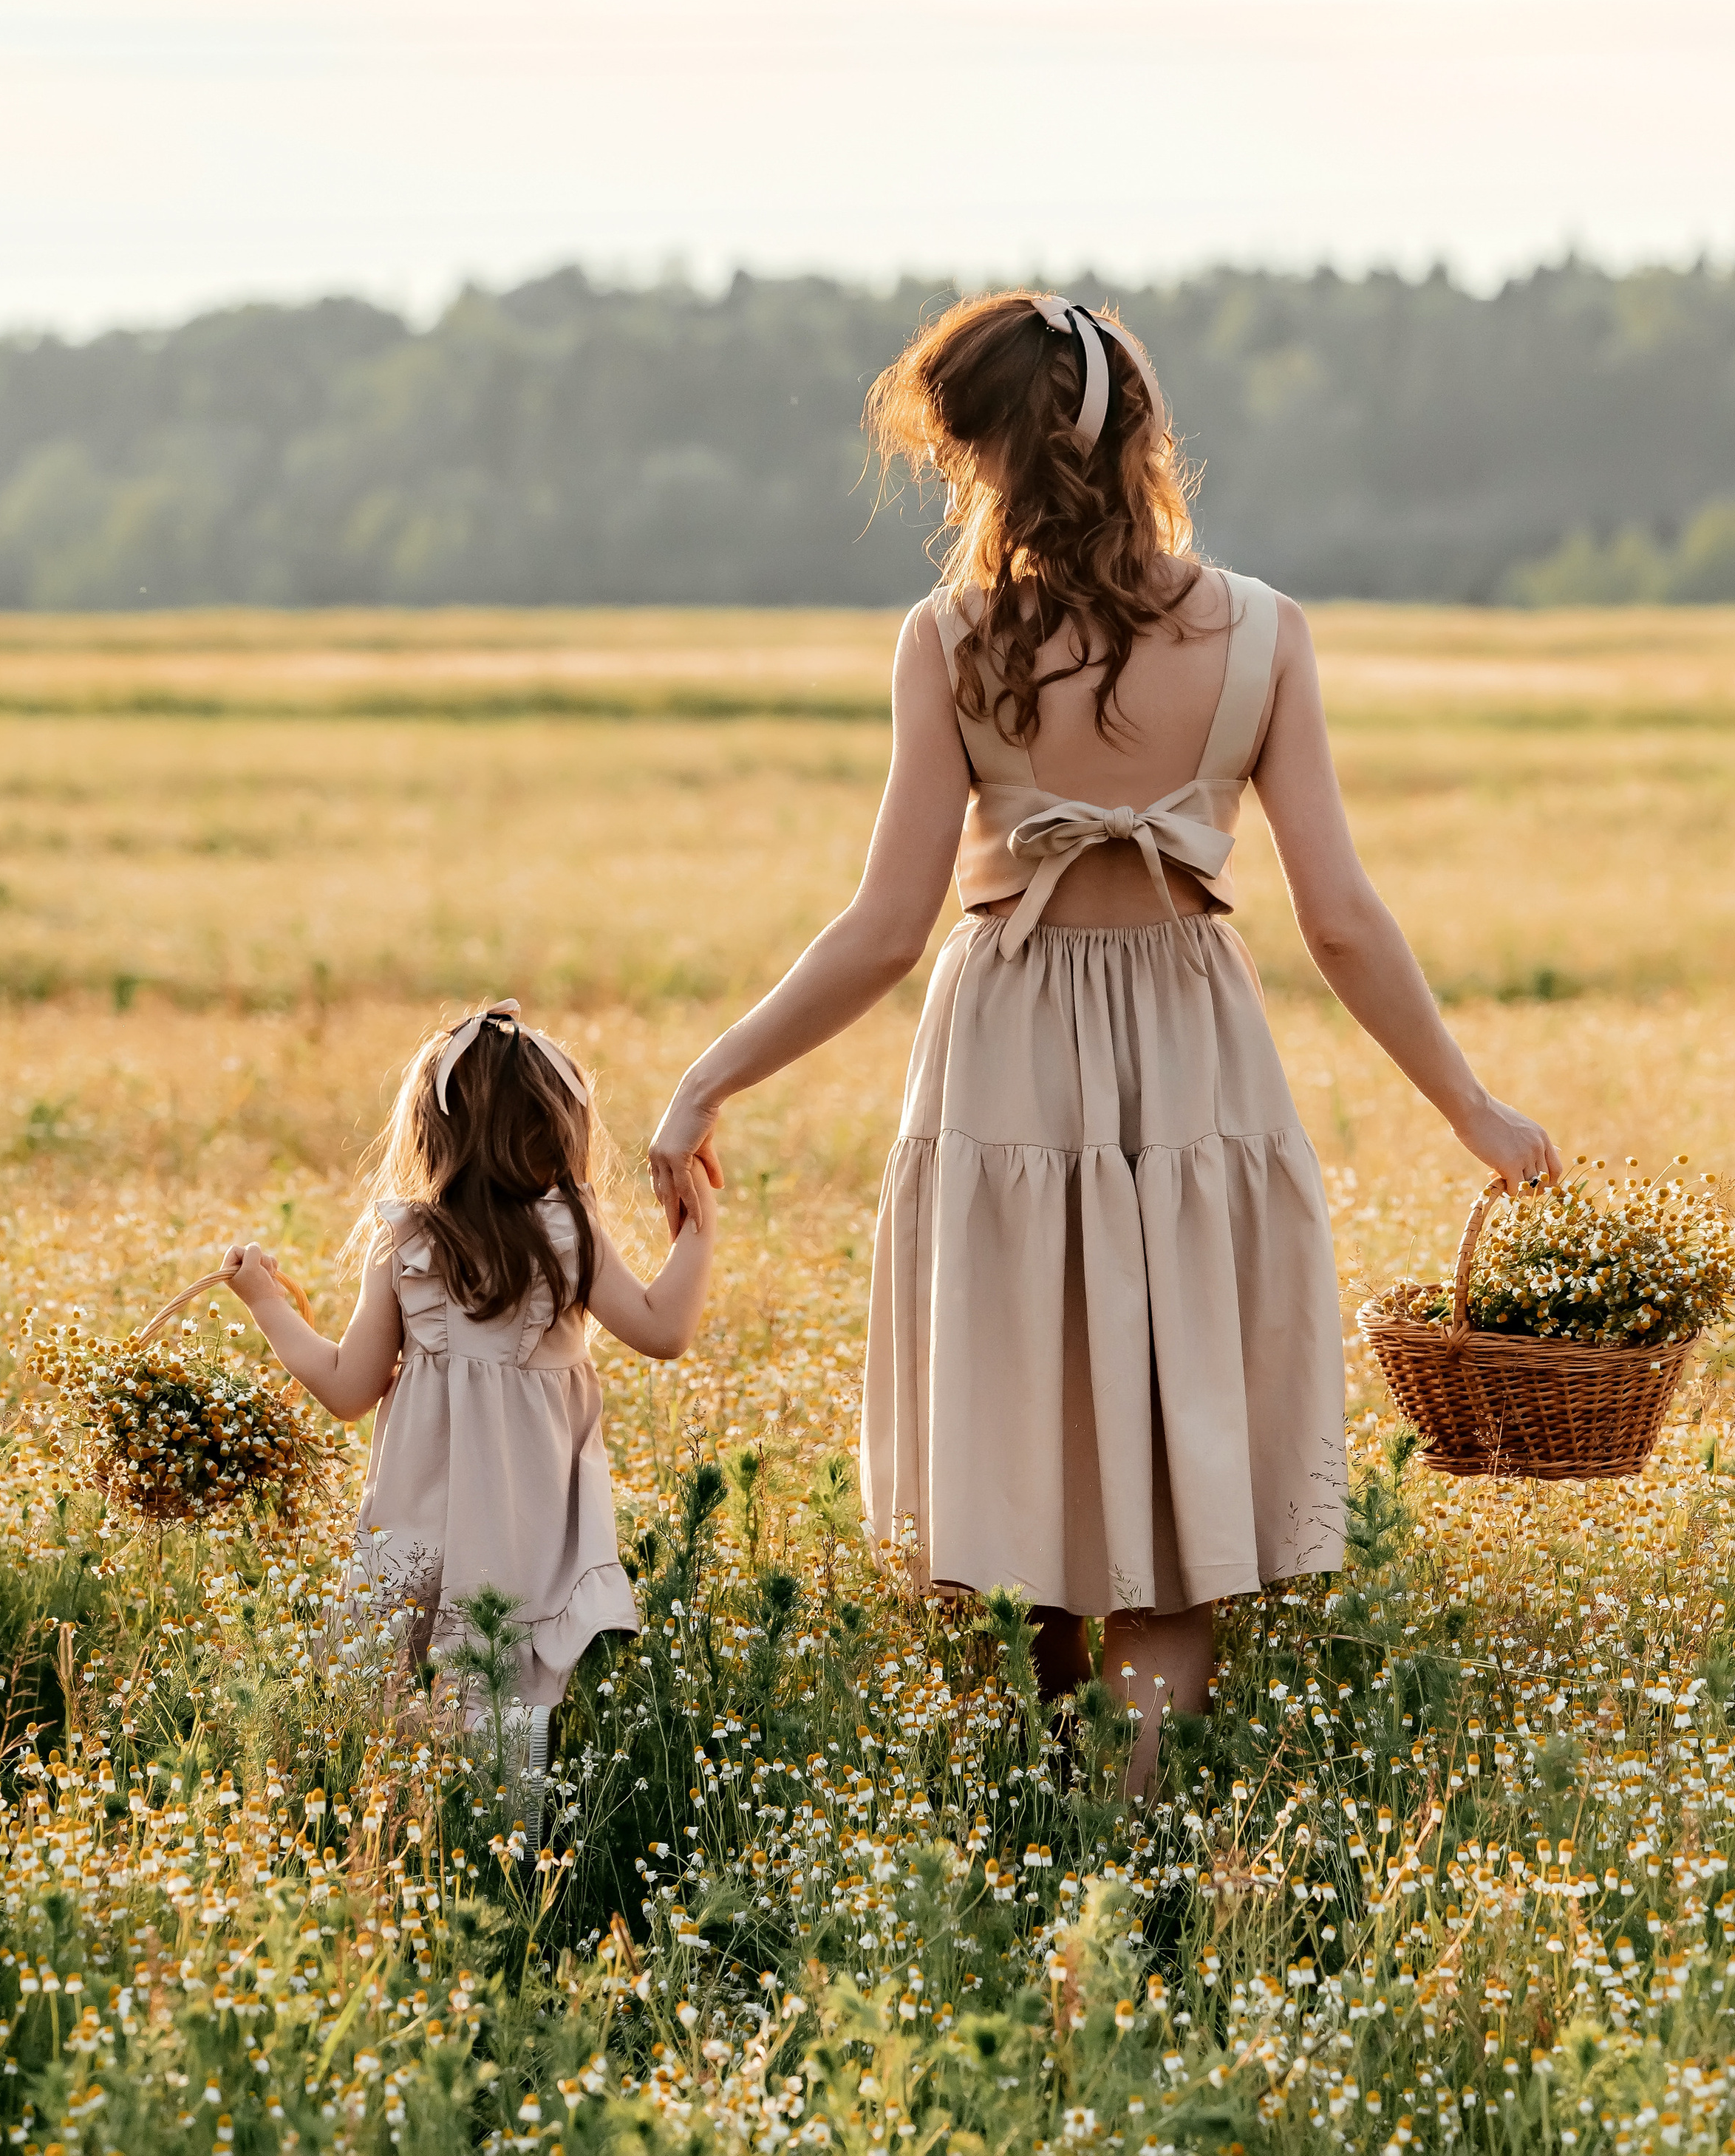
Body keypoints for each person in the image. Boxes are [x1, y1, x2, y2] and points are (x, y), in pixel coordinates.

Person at [650, 292, 1559, 1790]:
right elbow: (1336, 917)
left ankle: (1066, 1843)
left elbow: (883, 927)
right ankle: (1132, 1849)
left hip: (1007, 1048)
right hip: (1191, 1057)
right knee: (1174, 1468)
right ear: (1139, 430)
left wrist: (710, 1074)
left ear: (984, 460)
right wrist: (1466, 1103)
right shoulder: (1261, 633)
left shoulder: (947, 640)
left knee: (1033, 1473)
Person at [223, 996, 715, 1750]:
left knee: (390, 1673)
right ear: (560, 1129)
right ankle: (505, 1833)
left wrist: (265, 1302)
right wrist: (696, 1225)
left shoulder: (407, 1240)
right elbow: (664, 1329)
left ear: (430, 1131)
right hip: (528, 1514)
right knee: (508, 1681)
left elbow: (347, 1388)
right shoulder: (569, 1231)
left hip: (421, 1505)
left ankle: (399, 1825)